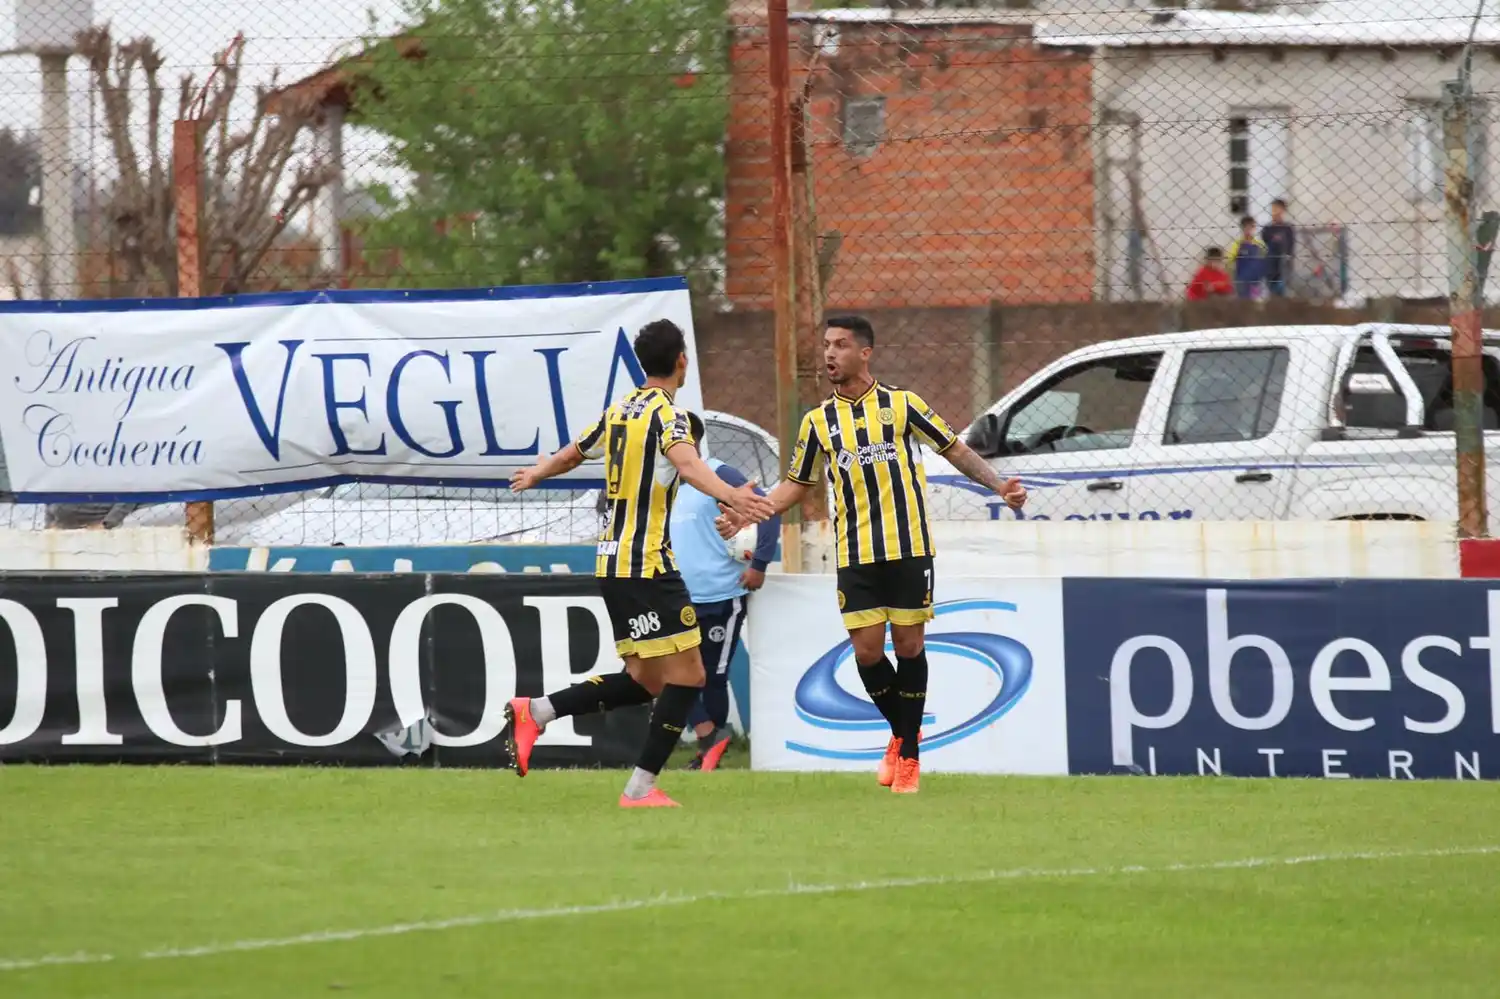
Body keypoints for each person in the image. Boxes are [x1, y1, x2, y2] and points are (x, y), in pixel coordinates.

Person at [733, 315, 1027, 795]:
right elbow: (795, 485)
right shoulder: (817, 422)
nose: (829, 354)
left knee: (909, 647)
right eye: (826, 345)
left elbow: (953, 449)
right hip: (855, 553)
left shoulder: (902, 405)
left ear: (864, 353)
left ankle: (907, 758)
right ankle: (905, 732)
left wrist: (999, 485)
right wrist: (752, 511)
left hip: (908, 546)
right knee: (867, 652)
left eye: (841, 345)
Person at [504, 319, 774, 808]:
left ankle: (537, 710)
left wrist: (538, 472)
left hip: (612, 562)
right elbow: (690, 467)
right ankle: (640, 788)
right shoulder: (671, 416)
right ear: (681, 362)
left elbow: (572, 454)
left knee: (646, 681)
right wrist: (733, 495)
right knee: (690, 676)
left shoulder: (621, 410)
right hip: (648, 565)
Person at [670, 411, 780, 772]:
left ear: (692, 441)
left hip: (721, 597)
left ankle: (708, 754)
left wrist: (759, 563)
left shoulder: (721, 475)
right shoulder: (671, 484)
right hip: (681, 597)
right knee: (673, 673)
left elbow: (768, 509)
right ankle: (710, 740)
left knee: (712, 678)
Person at [1226, 216, 1269, 300]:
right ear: (1242, 228)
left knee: (1255, 301)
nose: (1248, 230)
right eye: (1246, 227)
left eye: (1251, 227)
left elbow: (1266, 261)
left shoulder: (1259, 244)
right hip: (1242, 280)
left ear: (1254, 228)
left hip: (1256, 281)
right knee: (1243, 302)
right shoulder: (1237, 244)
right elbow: (1228, 260)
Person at [1261, 199, 1295, 297]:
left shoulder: (1288, 229)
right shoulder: (1267, 229)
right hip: (1271, 267)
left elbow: (1290, 248)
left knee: (1284, 294)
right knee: (1271, 294)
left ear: (1283, 210)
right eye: (1273, 209)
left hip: (1284, 268)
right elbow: (1266, 243)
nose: (1274, 212)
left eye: (1277, 208)